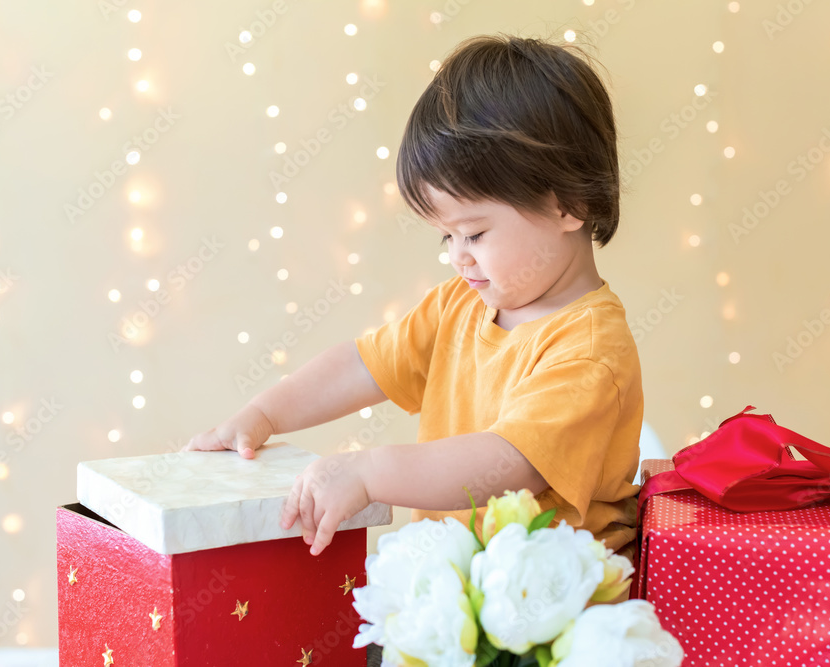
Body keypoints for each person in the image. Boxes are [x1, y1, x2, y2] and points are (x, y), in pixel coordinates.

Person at [183, 34, 642, 569]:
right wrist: (264, 414)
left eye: (473, 233)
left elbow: (508, 460)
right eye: (445, 238)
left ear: (571, 204)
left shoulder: (589, 349)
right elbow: (362, 365)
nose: (457, 258)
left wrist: (369, 472)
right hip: (455, 587)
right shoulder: (460, 305)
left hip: (550, 611)